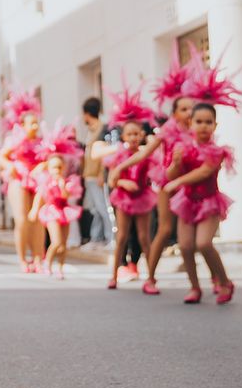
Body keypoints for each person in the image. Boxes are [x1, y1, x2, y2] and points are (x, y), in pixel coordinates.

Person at [165, 102, 236, 305]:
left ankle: (224, 282)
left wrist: (178, 182)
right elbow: (170, 175)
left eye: (208, 122)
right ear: (190, 123)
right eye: (199, 122)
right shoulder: (183, 148)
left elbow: (204, 171)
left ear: (215, 125)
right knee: (186, 247)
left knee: (204, 243)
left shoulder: (216, 151)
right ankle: (194, 287)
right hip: (187, 202)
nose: (204, 126)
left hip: (209, 202)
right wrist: (176, 165)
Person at [142, 44, 200, 296]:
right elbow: (145, 152)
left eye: (191, 108)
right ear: (174, 113)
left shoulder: (199, 130)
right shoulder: (168, 131)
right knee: (165, 229)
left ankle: (198, 284)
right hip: (168, 181)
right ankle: (151, 278)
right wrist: (120, 166)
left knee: (193, 238)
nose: (189, 112)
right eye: (183, 109)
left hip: (193, 185)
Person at [102, 82, 159, 291]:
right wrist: (124, 182)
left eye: (137, 134)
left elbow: (154, 173)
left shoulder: (145, 155)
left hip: (142, 197)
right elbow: (111, 179)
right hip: (125, 198)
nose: (134, 138)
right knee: (122, 237)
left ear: (142, 136)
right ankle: (114, 275)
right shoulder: (118, 156)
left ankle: (151, 277)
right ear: (124, 137)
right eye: (130, 134)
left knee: (145, 237)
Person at [0, 92, 45, 272]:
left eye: (36, 122)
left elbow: (49, 159)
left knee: (37, 219)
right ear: (22, 125)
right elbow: (0, 157)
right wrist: (12, 166)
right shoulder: (14, 140)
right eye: (31, 123)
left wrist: (43, 166)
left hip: (37, 181)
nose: (35, 126)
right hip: (18, 180)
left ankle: (38, 259)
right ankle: (23, 259)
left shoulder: (41, 142)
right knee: (22, 219)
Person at [28, 155, 82, 280]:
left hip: (64, 211)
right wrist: (34, 210)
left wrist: (62, 185)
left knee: (63, 244)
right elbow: (40, 195)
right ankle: (48, 263)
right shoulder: (46, 182)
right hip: (51, 211)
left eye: (59, 167)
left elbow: (66, 196)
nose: (56, 170)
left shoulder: (66, 181)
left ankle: (60, 268)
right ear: (49, 168)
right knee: (56, 242)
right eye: (54, 167)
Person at [78, 96, 112, 247]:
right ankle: (96, 238)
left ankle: (111, 237)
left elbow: (103, 154)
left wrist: (101, 174)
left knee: (102, 207)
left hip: (96, 176)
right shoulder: (90, 131)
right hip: (89, 175)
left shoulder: (102, 128)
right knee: (95, 208)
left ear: (86, 113)